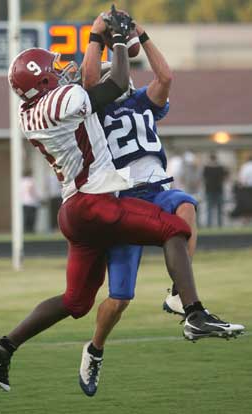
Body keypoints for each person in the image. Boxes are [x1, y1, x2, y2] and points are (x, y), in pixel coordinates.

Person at [0, 8, 244, 395]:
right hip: (95, 203)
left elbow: (95, 83)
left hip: (74, 210)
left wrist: (98, 37)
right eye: (54, 69)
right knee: (174, 228)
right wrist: (116, 39)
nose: (63, 71)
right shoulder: (64, 101)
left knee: (76, 300)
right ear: (45, 82)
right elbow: (117, 81)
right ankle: (193, 313)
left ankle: (3, 346)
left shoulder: (28, 111)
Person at [78, 19, 244, 396]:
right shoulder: (95, 113)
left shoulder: (143, 104)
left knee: (185, 206)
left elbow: (165, 76)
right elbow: (89, 82)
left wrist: (143, 37)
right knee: (119, 298)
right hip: (122, 202)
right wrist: (96, 35)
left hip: (157, 191)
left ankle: (178, 296)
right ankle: (96, 348)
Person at [203, 153, 227, 227]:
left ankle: (209, 225)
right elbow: (224, 178)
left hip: (209, 190)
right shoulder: (220, 168)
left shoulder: (206, 168)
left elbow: (204, 178)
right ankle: (220, 225)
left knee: (209, 209)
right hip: (219, 190)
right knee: (219, 210)